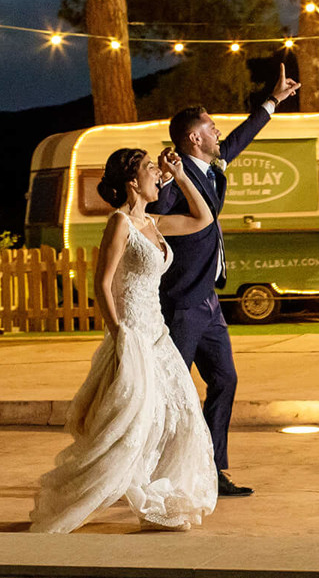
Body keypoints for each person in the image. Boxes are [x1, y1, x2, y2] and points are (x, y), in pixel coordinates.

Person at [29, 146, 218, 533]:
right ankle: (98, 495)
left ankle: (162, 496)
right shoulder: (120, 224)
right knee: (133, 424)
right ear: (133, 182)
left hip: (158, 333)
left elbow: (204, 217)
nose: (156, 174)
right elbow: (102, 283)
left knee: (182, 414)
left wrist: (180, 175)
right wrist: (120, 335)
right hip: (132, 332)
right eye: (151, 169)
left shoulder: (156, 223)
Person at [152, 65, 302, 497]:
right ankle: (162, 471)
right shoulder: (175, 179)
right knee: (174, 390)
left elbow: (239, 138)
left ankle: (214, 471)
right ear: (193, 137)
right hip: (181, 301)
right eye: (211, 128)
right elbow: (157, 212)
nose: (219, 133)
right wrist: (165, 177)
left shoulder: (212, 168)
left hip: (210, 303)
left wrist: (272, 101)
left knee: (225, 381)